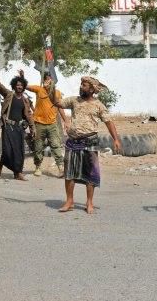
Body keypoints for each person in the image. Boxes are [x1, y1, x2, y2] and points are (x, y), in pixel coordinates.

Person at [49, 76, 121, 214]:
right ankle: (69, 201)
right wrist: (50, 89)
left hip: (90, 142)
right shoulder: (74, 100)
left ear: (92, 89)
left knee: (91, 174)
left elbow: (108, 122)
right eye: (81, 84)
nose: (81, 86)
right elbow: (57, 103)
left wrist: (116, 139)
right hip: (73, 142)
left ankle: (89, 202)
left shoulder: (99, 105)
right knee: (69, 173)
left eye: (85, 85)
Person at [0, 65, 34, 181]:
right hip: (8, 127)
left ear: (23, 87)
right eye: (17, 85)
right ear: (14, 86)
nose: (19, 87)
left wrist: (32, 127)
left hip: (19, 128)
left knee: (19, 152)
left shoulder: (25, 100)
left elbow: (28, 114)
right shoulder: (9, 95)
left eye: (21, 85)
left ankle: (18, 173)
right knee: (7, 150)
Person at [18, 69, 67, 177]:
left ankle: (60, 168)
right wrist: (22, 76)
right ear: (44, 80)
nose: (48, 81)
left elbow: (60, 108)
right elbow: (25, 86)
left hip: (52, 124)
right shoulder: (39, 89)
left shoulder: (57, 93)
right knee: (38, 146)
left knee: (56, 145)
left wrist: (66, 121)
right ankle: (38, 167)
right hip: (39, 123)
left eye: (50, 79)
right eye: (46, 79)